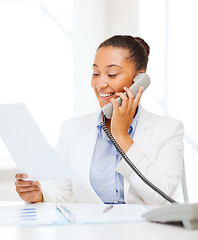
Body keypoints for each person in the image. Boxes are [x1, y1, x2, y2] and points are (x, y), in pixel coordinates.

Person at [15, 35, 184, 205]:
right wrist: (38, 195)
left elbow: (162, 197)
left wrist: (121, 136)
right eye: (96, 73)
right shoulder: (73, 129)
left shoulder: (169, 130)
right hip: (90, 231)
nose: (100, 83)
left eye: (112, 74)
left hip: (145, 230)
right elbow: (61, 191)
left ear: (139, 80)